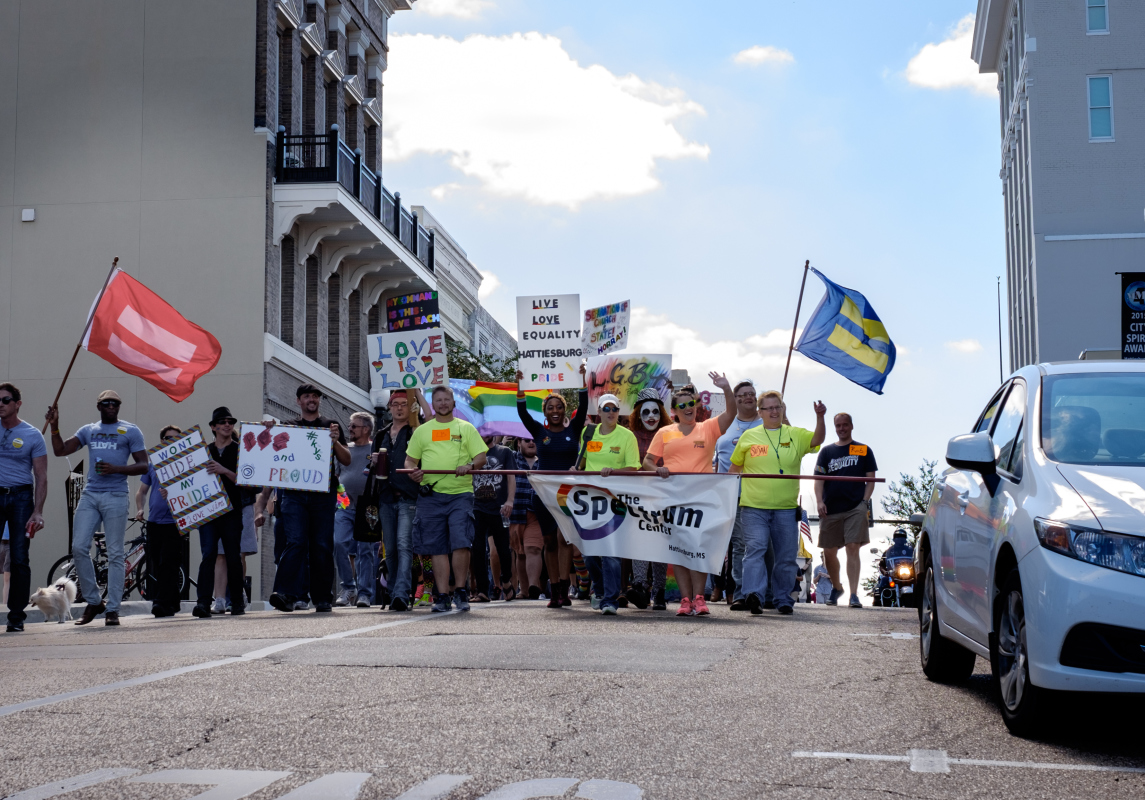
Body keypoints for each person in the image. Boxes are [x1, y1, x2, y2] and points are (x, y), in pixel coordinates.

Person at [47, 390, 147, 627]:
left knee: (115, 553)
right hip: (91, 494)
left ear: (119, 407)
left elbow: (144, 465)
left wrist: (116, 469)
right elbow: (60, 450)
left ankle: (113, 609)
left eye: (115, 403)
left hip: (116, 494)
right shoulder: (89, 430)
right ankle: (94, 602)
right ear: (99, 406)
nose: (111, 405)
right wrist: (55, 426)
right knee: (79, 546)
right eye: (106, 403)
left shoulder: (131, 430)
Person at [644, 376, 737, 616]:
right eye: (682, 406)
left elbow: (731, 413)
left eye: (691, 404)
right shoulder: (664, 432)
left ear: (696, 406)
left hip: (703, 498)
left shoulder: (708, 427)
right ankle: (685, 600)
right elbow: (647, 462)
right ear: (673, 411)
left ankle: (699, 598)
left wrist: (726, 388)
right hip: (672, 497)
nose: (687, 409)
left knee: (700, 548)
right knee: (679, 548)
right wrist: (658, 469)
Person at [254, 383, 351, 613]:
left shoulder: (330, 426)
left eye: (315, 396)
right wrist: (267, 430)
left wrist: (335, 440)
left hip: (323, 495)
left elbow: (347, 460)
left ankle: (322, 598)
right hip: (294, 496)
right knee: (295, 541)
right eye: (307, 396)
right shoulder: (289, 426)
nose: (312, 399)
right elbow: (268, 455)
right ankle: (286, 594)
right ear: (298, 401)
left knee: (321, 545)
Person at [729, 390, 826, 616]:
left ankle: (783, 599)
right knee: (755, 550)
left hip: (785, 508)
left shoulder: (795, 434)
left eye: (778, 407)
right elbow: (733, 470)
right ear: (760, 412)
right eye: (769, 408)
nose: (774, 411)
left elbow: (817, 440)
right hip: (753, 507)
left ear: (783, 410)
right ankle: (754, 595)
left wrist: (820, 417)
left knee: (785, 555)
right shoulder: (748, 437)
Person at [404, 385, 488, 613]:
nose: (442, 403)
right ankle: (441, 595)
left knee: (461, 541)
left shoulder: (466, 428)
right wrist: (414, 472)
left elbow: (481, 457)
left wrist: (470, 466)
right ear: (433, 404)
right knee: (436, 546)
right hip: (430, 495)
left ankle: (460, 590)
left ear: (453, 403)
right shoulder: (422, 431)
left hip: (460, 494)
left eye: (446, 400)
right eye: (438, 400)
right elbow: (410, 461)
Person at [515, 365, 588, 608]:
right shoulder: (538, 431)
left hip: (568, 494)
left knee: (565, 539)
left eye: (558, 408)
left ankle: (565, 588)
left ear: (564, 410)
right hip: (543, 495)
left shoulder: (574, 430)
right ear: (545, 412)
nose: (555, 411)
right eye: (550, 408)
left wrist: (581, 379)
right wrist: (521, 386)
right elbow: (523, 412)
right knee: (549, 542)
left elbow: (585, 406)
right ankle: (555, 588)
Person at [580, 393, 642, 615]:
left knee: (611, 554)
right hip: (590, 501)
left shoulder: (627, 436)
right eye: (606, 409)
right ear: (599, 412)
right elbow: (582, 463)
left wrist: (613, 472)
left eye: (614, 409)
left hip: (616, 500)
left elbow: (634, 467)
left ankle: (610, 601)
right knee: (588, 553)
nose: (610, 412)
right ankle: (599, 589)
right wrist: (573, 470)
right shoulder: (588, 432)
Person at [814, 413, 877, 608]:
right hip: (830, 507)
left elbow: (871, 478)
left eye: (845, 425)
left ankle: (854, 594)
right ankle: (837, 586)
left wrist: (864, 502)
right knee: (829, 552)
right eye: (838, 425)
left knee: (852, 547)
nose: (841, 428)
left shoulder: (862, 449)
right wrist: (819, 501)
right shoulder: (827, 451)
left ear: (851, 426)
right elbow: (819, 480)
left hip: (855, 507)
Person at [191, 407, 247, 618]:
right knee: (208, 555)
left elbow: (247, 483)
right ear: (213, 427)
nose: (227, 425)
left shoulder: (240, 451)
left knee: (233, 556)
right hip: (208, 512)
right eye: (222, 422)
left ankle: (237, 602)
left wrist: (224, 471)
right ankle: (203, 602)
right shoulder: (203, 452)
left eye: (230, 422)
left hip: (232, 510)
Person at [1, 382, 47, 633]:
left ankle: (16, 616)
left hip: (21, 497)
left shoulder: (32, 435)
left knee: (19, 557)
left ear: (17, 404)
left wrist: (37, 511)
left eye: (5, 400)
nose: (0, 404)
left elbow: (41, 476)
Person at [374, 390, 425, 612]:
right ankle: (394, 590)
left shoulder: (417, 431)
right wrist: (373, 461)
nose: (400, 408)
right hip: (385, 496)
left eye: (405, 404)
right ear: (389, 406)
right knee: (391, 549)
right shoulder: (381, 434)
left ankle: (402, 594)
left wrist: (420, 472)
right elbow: (372, 468)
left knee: (405, 545)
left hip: (408, 496)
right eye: (396, 404)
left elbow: (427, 457)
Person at [715, 380, 764, 610]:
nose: (749, 397)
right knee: (738, 545)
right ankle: (741, 592)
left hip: (761, 496)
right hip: (731, 495)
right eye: (743, 394)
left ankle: (764, 593)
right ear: (736, 400)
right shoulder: (727, 425)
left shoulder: (768, 421)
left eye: (752, 394)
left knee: (760, 546)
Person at [627, 387, 671, 610]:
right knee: (640, 541)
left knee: (659, 542)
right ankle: (640, 587)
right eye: (646, 412)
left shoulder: (671, 434)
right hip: (637, 498)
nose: (651, 417)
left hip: (663, 497)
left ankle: (660, 591)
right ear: (638, 414)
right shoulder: (629, 436)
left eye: (655, 411)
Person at [136, 424, 184, 617]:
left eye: (175, 438)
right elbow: (141, 491)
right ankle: (173, 602)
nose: (170, 441)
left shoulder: (185, 464)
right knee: (156, 562)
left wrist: (174, 493)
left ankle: (160, 603)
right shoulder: (152, 463)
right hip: (154, 522)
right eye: (167, 438)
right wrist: (140, 508)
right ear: (161, 441)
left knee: (169, 563)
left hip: (175, 523)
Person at [331, 411, 378, 607]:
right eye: (349, 426)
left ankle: (365, 593)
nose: (349, 429)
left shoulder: (375, 449)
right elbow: (336, 475)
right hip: (344, 505)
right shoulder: (344, 449)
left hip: (368, 508)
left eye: (353, 426)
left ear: (366, 429)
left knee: (365, 550)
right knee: (339, 542)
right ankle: (349, 587)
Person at [472, 434, 516, 602]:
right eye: (480, 431)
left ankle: (506, 580)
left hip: (499, 508)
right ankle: (483, 590)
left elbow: (511, 477)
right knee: (477, 548)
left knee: (503, 549)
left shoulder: (504, 452)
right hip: (477, 507)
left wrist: (510, 501)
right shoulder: (471, 452)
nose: (484, 435)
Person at [509, 437, 544, 599]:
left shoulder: (544, 460)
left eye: (534, 440)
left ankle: (533, 587)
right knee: (520, 553)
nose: (531, 443)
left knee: (533, 548)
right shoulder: (511, 457)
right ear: (518, 443)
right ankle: (523, 590)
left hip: (537, 513)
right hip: (515, 513)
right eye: (526, 440)